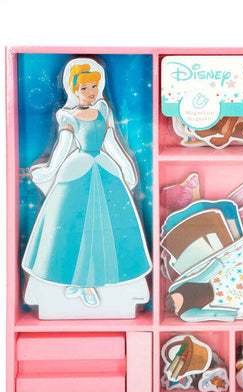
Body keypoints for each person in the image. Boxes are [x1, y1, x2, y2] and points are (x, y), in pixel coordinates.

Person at [22, 59, 151, 308]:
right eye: (84, 88)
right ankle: (78, 281)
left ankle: (92, 280)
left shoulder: (103, 109)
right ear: (74, 89)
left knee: (108, 226)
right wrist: (49, 170)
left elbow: (111, 141)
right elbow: (62, 148)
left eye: (94, 86)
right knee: (72, 225)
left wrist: (125, 167)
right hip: (77, 170)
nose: (91, 92)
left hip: (104, 168)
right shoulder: (67, 116)